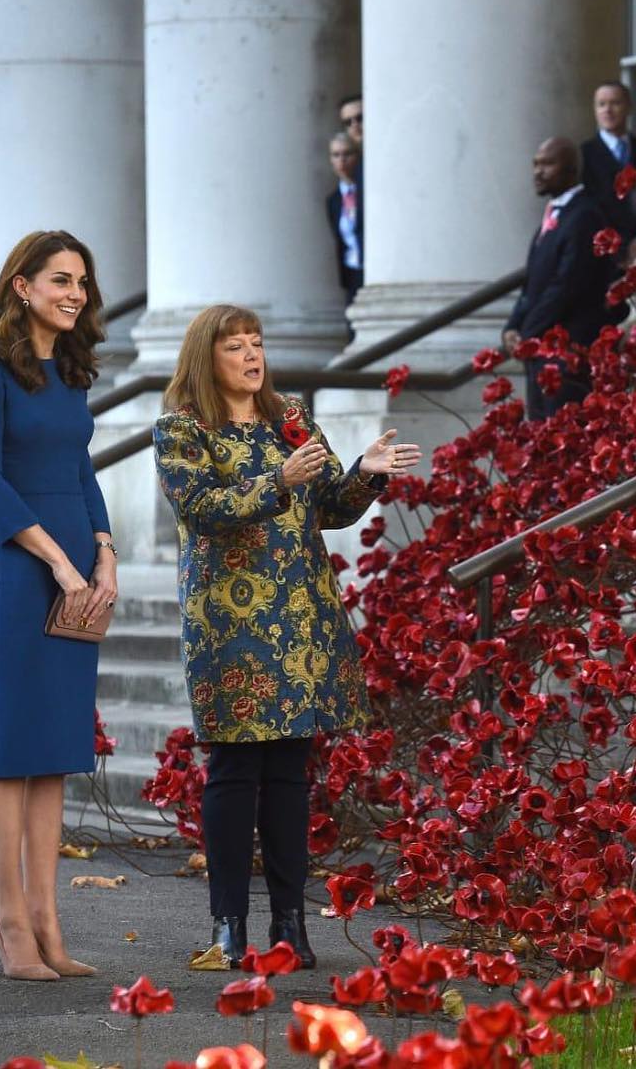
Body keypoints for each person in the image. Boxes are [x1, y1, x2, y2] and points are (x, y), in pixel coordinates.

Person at [153, 304, 421, 968]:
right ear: (206, 358)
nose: (252, 355)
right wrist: (277, 479)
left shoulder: (289, 418)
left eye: (256, 343)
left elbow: (329, 506)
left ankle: (289, 925)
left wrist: (366, 471)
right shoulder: (182, 429)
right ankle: (228, 927)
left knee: (289, 774)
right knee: (234, 769)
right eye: (235, 346)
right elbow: (201, 508)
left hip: (300, 616)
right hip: (230, 622)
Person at [0, 230, 118, 981]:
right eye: (61, 280)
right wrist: (55, 559)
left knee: (55, 753)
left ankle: (49, 921)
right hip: (25, 569)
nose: (75, 294)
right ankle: (8, 918)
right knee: (13, 751)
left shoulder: (72, 370)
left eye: (81, 282)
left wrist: (104, 550)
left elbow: (79, 469)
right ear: (22, 286)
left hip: (79, 567)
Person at [503, 137, 624, 421]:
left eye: (548, 164)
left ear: (571, 169)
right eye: (535, 164)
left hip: (567, 353)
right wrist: (512, 326)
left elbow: (567, 285)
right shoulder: (555, 215)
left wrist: (527, 332)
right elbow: (533, 283)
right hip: (541, 351)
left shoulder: (585, 215)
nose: (538, 171)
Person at [581, 81, 636, 250]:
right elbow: (588, 208)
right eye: (601, 104)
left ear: (629, 107)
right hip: (606, 249)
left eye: (615, 103)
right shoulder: (584, 154)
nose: (607, 110)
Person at [325, 131, 364, 304]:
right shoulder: (333, 201)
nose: (342, 160)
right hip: (351, 273)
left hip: (372, 270)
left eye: (347, 154)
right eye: (336, 155)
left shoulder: (368, 193)